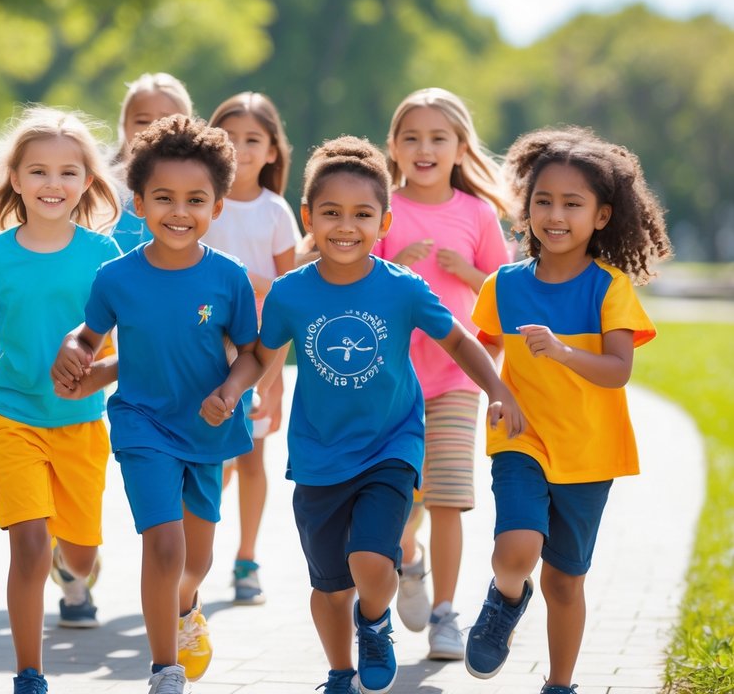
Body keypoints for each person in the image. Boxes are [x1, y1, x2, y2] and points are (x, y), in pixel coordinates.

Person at [222, 136, 523, 694]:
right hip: (318, 455)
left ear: (384, 223)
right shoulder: (291, 294)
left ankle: (376, 623)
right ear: (309, 218)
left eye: (362, 214)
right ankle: (340, 672)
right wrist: (239, 391)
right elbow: (263, 354)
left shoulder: (401, 288)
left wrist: (498, 390)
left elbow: (458, 341)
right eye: (331, 213)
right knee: (330, 586)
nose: (346, 226)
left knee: (370, 557)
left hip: (391, 443)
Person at [51, 115, 258, 694]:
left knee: (196, 560)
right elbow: (88, 338)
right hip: (141, 421)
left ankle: (188, 603)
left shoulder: (230, 278)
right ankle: (164, 669)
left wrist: (231, 390)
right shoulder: (116, 277)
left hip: (208, 427)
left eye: (196, 199)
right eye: (163, 198)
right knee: (163, 545)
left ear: (217, 207)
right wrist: (73, 351)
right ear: (138, 202)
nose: (179, 211)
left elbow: (250, 353)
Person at [464, 127, 671, 694]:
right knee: (515, 550)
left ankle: (559, 684)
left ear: (601, 217)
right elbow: (483, 353)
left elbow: (618, 370)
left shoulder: (610, 289)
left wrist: (560, 350)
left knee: (563, 581)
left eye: (572, 204)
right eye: (543, 201)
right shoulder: (503, 284)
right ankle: (505, 601)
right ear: (526, 208)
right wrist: (497, 393)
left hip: (589, 450)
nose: (555, 215)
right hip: (522, 436)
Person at [0, 106, 121, 694]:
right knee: (30, 545)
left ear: (87, 183)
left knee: (82, 551)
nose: (53, 184)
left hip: (81, 423)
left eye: (68, 173)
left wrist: (101, 373)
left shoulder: (104, 256)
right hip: (12, 414)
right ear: (15, 178)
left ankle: (76, 574)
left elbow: (133, 342)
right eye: (38, 171)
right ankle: (29, 673)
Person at [372, 87, 513, 660]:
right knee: (402, 500)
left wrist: (472, 273)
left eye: (438, 138)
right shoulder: (382, 206)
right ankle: (409, 559)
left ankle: (445, 613)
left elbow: (507, 297)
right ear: (394, 147)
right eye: (411, 137)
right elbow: (350, 278)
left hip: (456, 380)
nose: (424, 148)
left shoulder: (478, 214)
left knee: (449, 498)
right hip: (391, 383)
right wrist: (390, 267)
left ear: (460, 147)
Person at [203, 92, 311, 605]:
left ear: (273, 151)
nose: (241, 149)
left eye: (253, 139)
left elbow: (290, 292)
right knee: (207, 458)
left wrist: (274, 381)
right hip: (200, 345)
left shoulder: (275, 211)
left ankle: (246, 558)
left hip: (261, 351)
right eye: (230, 137)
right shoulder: (201, 199)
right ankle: (189, 547)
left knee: (250, 458)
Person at [108, 73, 195, 253]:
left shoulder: (199, 187)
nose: (153, 128)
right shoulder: (105, 185)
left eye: (166, 120)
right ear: (124, 126)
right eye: (142, 120)